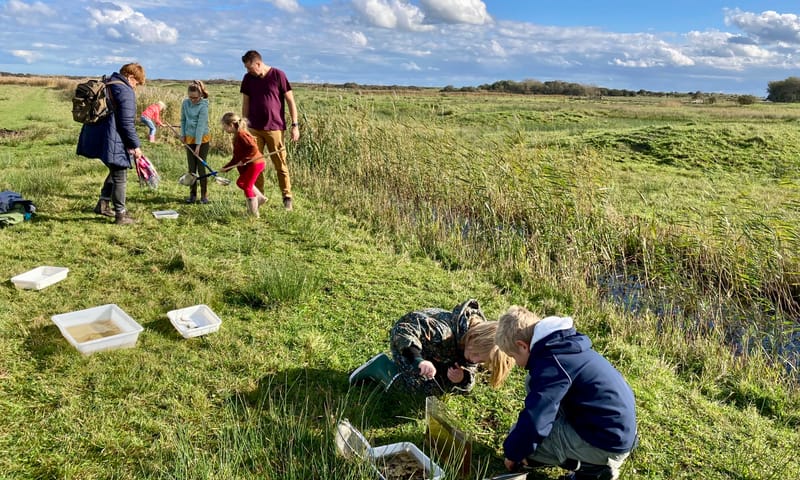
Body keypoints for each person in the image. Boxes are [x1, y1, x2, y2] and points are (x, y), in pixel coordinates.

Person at [495, 306, 637, 480]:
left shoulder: (553, 364)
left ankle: (595, 471)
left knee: (523, 442)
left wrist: (514, 454)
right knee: (532, 383)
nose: (516, 363)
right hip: (613, 428)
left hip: (606, 442)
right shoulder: (562, 345)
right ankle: (587, 460)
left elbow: (535, 421)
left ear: (522, 346)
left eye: (513, 356)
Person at [349, 299, 514, 395]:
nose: (475, 360)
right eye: (476, 354)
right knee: (414, 389)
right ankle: (381, 367)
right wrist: (418, 360)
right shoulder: (443, 331)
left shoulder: (475, 344)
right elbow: (404, 330)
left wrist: (461, 378)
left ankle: (420, 368)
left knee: (441, 388)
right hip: (409, 346)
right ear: (473, 337)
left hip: (437, 355)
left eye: (481, 359)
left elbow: (470, 371)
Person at [77, 63, 146, 225]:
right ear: (130, 77)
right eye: (137, 82)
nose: (136, 87)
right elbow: (126, 122)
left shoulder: (108, 82)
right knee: (120, 173)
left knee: (115, 168)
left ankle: (103, 204)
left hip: (95, 134)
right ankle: (121, 215)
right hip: (110, 137)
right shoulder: (125, 90)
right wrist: (135, 146)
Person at [240, 49, 299, 211]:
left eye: (250, 68)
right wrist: (243, 126)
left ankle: (287, 198)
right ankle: (258, 197)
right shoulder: (248, 79)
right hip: (253, 129)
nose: (248, 71)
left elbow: (291, 102)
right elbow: (245, 103)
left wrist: (295, 125)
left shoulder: (278, 75)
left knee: (280, 164)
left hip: (275, 129)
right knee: (255, 164)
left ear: (258, 64)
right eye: (246, 69)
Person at [218, 112, 268, 217]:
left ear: (231, 125)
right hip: (252, 163)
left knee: (247, 186)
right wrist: (226, 168)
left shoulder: (242, 134)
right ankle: (260, 198)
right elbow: (236, 157)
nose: (224, 129)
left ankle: (253, 214)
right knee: (241, 183)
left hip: (255, 163)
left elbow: (253, 148)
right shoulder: (237, 135)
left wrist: (245, 159)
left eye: (225, 126)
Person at [180, 81, 211, 204]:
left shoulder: (204, 106)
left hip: (202, 140)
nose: (192, 100)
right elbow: (183, 120)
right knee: (191, 169)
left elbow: (200, 126)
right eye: (190, 97)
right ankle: (192, 195)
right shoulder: (185, 103)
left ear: (201, 95)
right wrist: (183, 135)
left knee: (201, 169)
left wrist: (198, 144)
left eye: (195, 98)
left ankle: (204, 196)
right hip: (189, 139)